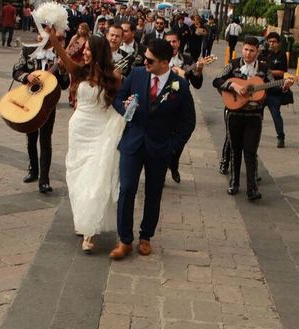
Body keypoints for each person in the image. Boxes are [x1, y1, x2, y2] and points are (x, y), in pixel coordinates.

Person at [110, 39, 196, 260]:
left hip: (160, 147)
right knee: (127, 189)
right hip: (133, 142)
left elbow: (188, 122)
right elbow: (117, 98)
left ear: (165, 62)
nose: (145, 62)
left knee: (153, 193)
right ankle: (125, 240)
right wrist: (124, 108)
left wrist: (173, 147)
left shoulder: (180, 85)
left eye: (150, 60)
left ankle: (146, 236)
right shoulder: (137, 74)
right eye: (144, 58)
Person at [48, 30, 124, 252]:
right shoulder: (80, 72)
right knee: (77, 178)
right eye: (85, 49)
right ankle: (83, 219)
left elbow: (118, 103)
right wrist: (54, 41)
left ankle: (89, 233)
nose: (86, 52)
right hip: (79, 129)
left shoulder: (114, 77)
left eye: (89, 49)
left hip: (101, 131)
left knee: (96, 178)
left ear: (98, 52)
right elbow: (65, 58)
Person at [213, 36, 292, 200]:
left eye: (252, 51)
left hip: (254, 116)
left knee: (250, 151)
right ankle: (234, 183)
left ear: (257, 52)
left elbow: (273, 89)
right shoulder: (233, 64)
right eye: (246, 49)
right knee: (235, 150)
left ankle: (252, 188)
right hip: (234, 113)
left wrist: (284, 86)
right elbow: (217, 80)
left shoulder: (264, 69)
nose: (248, 53)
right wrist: (233, 85)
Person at [12, 31, 70, 194]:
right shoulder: (28, 51)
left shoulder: (59, 56)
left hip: (47, 104)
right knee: (31, 138)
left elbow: (65, 85)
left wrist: (64, 71)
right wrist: (26, 76)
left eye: (59, 38)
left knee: (45, 139)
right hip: (30, 101)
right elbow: (16, 71)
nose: (57, 40)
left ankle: (44, 180)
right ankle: (33, 170)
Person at [165, 31, 203, 184]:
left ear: (179, 43)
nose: (172, 44)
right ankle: (163, 168)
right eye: (169, 42)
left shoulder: (187, 59)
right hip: (165, 100)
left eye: (174, 41)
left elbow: (197, 84)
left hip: (184, 100)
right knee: (165, 132)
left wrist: (198, 72)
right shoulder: (159, 57)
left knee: (188, 127)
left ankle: (173, 160)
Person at [259, 32, 288, 148]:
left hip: (274, 90)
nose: (271, 44)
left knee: (276, 114)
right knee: (257, 115)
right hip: (260, 90)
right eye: (270, 41)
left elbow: (282, 72)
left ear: (278, 43)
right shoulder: (263, 54)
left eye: (274, 42)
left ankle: (281, 137)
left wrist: (268, 71)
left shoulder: (281, 55)